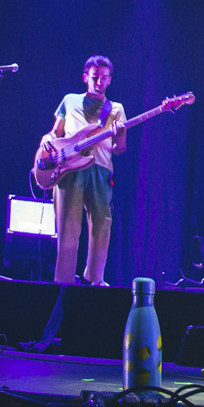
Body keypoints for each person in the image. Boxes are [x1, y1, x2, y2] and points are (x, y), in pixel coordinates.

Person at [35, 55, 126, 285]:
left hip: (100, 169)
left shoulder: (116, 109)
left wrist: (121, 135)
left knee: (102, 224)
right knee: (68, 228)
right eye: (95, 77)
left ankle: (95, 279)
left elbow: (119, 149)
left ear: (110, 79)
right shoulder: (70, 100)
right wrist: (47, 137)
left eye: (104, 78)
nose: (100, 82)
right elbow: (55, 132)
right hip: (68, 167)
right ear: (85, 77)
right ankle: (63, 283)